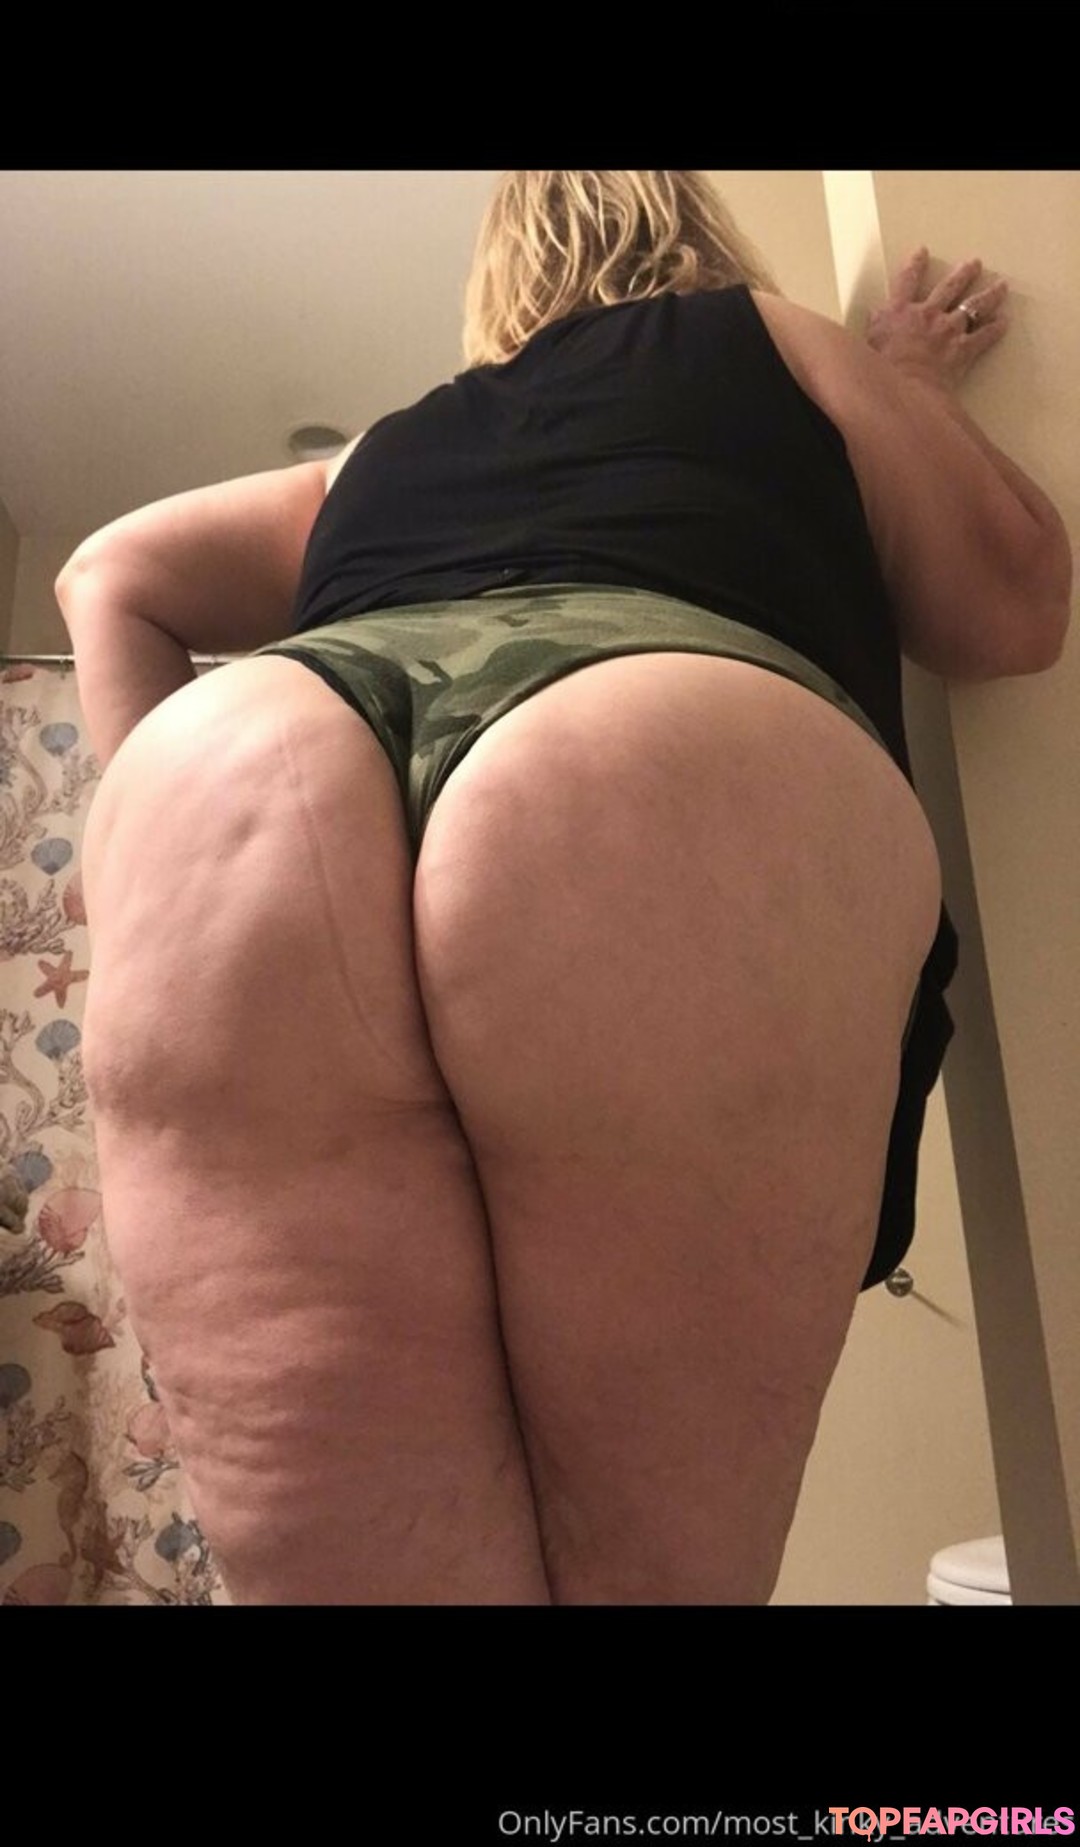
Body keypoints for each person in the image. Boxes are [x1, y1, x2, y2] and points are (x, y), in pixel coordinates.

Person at [57, 172, 1071, 1605]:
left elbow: (107, 573)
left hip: (250, 772)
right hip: (641, 749)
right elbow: (1014, 608)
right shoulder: (772, 339)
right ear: (699, 238)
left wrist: (153, 869)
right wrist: (900, 383)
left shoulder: (381, 451)